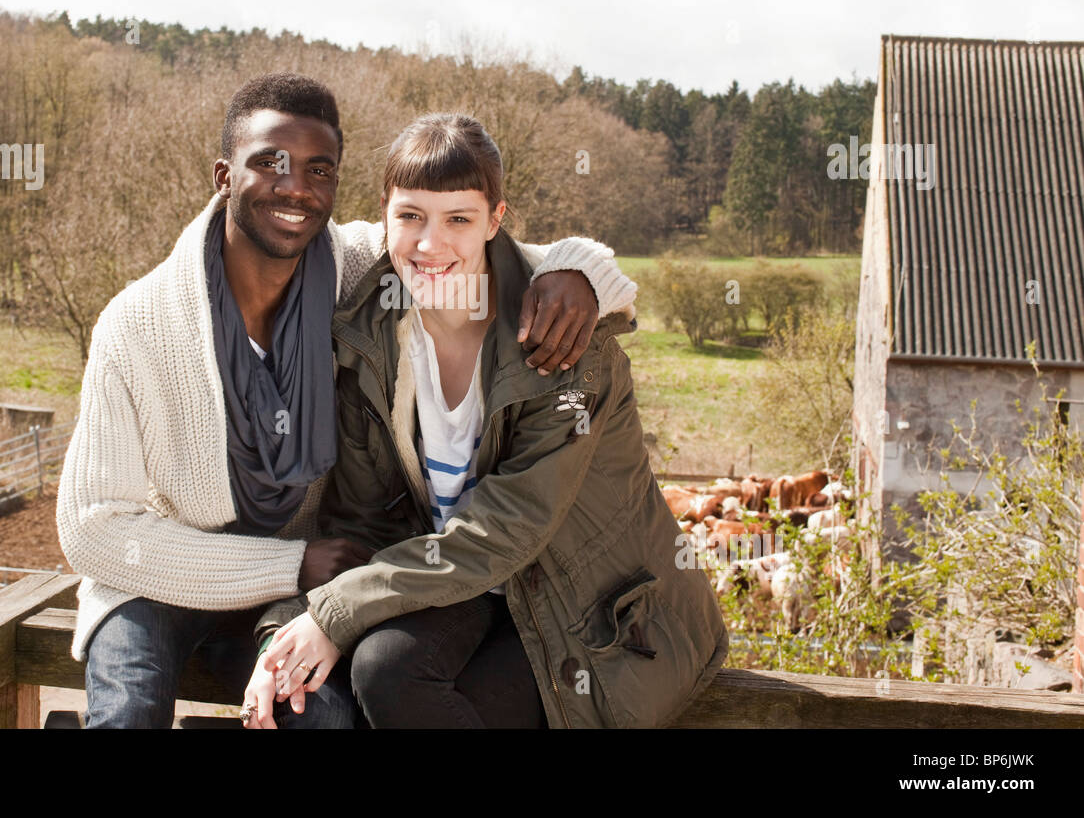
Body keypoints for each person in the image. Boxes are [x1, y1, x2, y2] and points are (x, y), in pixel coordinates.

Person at [55, 76, 639, 728]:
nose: (295, 187)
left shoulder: (356, 266)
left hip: (307, 586)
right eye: (270, 163)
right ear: (223, 174)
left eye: (319, 170)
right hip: (162, 579)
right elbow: (91, 531)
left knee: (324, 718)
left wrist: (580, 273)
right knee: (128, 715)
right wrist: (288, 563)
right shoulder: (135, 325)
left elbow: (478, 248)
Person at [244, 113, 728, 729]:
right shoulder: (370, 338)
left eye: (459, 220)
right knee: (376, 668)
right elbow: (363, 517)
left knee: (392, 679)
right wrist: (289, 630)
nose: (429, 244)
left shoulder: (566, 344)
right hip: (454, 582)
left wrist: (337, 614)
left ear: (496, 219)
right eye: (411, 216)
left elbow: (510, 527)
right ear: (384, 215)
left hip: (583, 605)